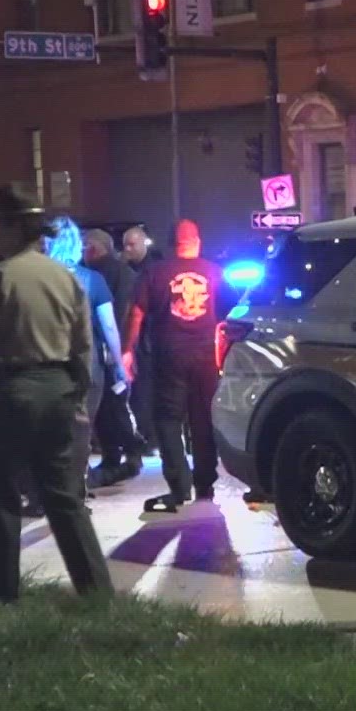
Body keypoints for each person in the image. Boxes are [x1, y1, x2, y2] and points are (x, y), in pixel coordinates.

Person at [0, 184, 110, 604]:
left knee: (1, 497)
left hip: (10, 392)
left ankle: (1, 597)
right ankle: (97, 592)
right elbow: (84, 348)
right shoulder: (66, 279)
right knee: (63, 496)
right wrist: (78, 399)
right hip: (57, 391)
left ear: (17, 228)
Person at [122, 218, 225, 513]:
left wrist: (127, 351)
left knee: (168, 420)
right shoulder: (214, 272)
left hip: (169, 355)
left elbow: (136, 314)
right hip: (206, 355)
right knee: (203, 419)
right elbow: (231, 313)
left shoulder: (154, 273)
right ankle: (205, 484)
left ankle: (178, 487)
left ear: (171, 245)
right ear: (198, 241)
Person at [50, 217, 141, 489]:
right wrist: (119, 363)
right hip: (87, 366)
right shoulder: (92, 280)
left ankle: (50, 485)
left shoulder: (41, 279)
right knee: (81, 428)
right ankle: (77, 486)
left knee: (52, 429)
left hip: (49, 364)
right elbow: (109, 326)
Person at [119, 223, 161, 446]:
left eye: (132, 244)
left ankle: (150, 436)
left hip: (149, 339)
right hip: (142, 339)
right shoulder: (128, 270)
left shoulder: (152, 269)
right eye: (125, 245)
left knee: (146, 390)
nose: (127, 249)